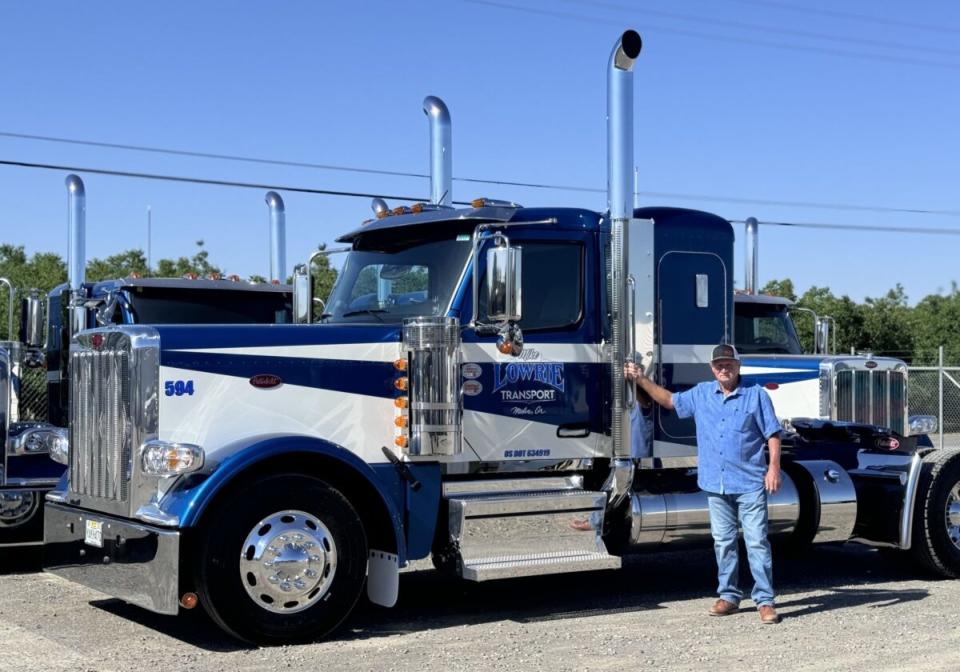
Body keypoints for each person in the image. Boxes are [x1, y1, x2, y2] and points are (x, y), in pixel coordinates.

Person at [626, 343, 783, 625]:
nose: (725, 369)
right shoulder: (701, 394)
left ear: (738, 366)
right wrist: (640, 379)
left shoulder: (756, 396)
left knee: (757, 542)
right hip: (715, 483)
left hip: (749, 483)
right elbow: (669, 401)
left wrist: (774, 469)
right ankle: (729, 596)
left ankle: (765, 601)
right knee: (723, 543)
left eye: (729, 364)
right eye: (719, 365)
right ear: (713, 369)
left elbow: (772, 432)